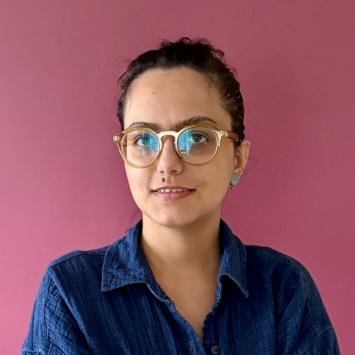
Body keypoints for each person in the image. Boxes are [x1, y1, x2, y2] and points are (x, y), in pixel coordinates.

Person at [22, 37, 340, 354]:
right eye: (144, 139)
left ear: (238, 159)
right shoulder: (71, 293)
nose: (168, 164)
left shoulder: (284, 289)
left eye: (197, 137)